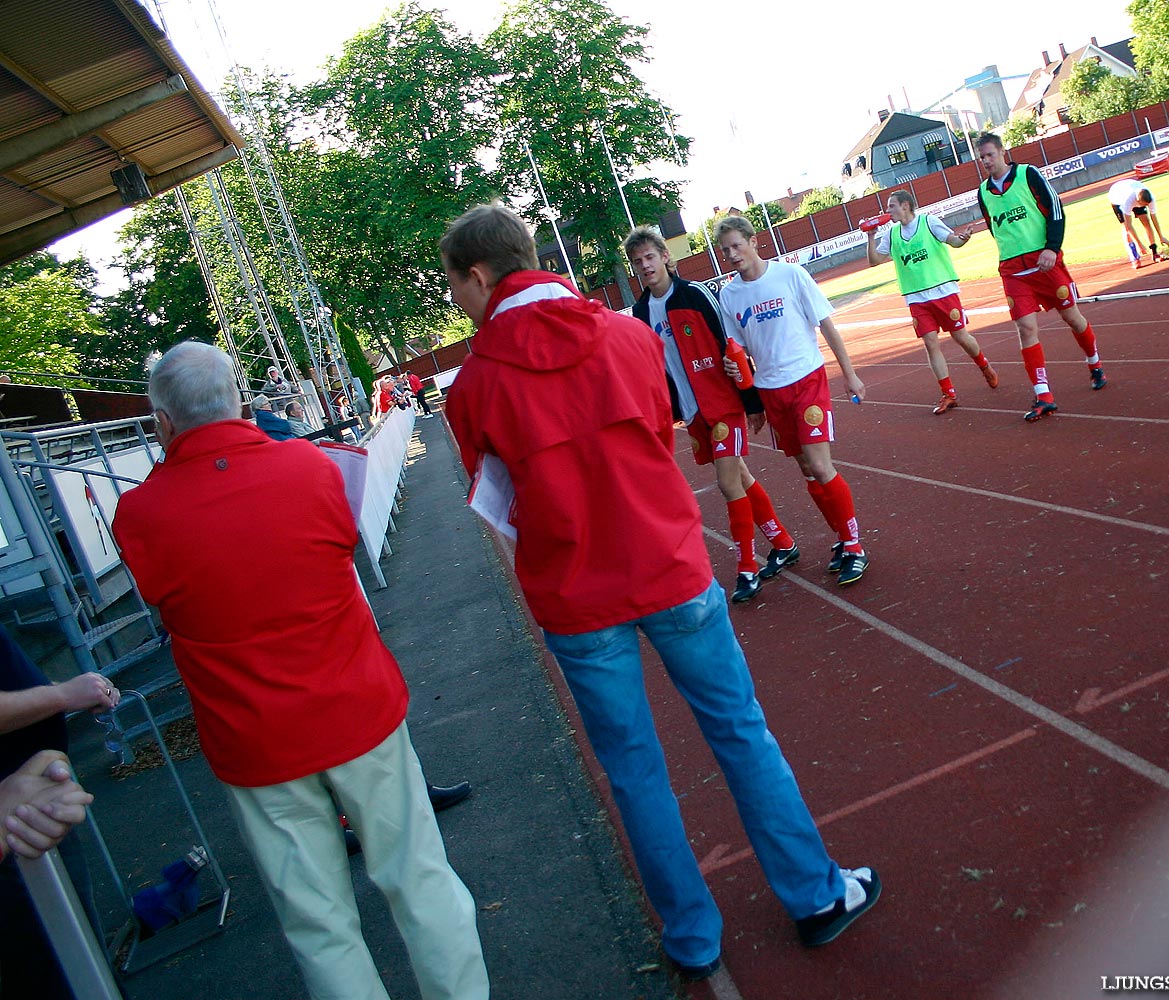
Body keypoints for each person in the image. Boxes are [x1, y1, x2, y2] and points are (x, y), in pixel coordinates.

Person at [440, 204, 880, 981]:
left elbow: (499, 512)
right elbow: (655, 431)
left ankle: (691, 936)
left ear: (479, 276)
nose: (455, 303)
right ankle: (815, 896)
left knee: (634, 769)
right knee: (742, 733)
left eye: (455, 288)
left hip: (575, 599)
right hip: (670, 568)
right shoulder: (628, 335)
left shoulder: (473, 387)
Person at [112, 342, 489, 1000]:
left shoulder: (142, 515)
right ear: (239, 401)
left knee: (319, 924)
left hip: (256, 745)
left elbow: (159, 594)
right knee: (420, 878)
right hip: (357, 713)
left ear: (163, 423)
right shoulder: (310, 468)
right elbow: (339, 543)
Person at [625, 226, 799, 603]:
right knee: (740, 475)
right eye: (638, 262)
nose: (645, 265)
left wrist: (751, 401)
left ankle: (747, 569)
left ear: (665, 257)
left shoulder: (696, 293)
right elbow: (656, 367)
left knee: (727, 483)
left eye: (650, 257)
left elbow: (730, 345)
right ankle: (783, 543)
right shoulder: (640, 313)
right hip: (693, 412)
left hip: (722, 403)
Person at [715, 216, 870, 585]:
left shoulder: (790, 275)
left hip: (807, 380)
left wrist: (849, 373)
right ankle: (841, 537)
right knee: (805, 468)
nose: (732, 254)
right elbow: (738, 351)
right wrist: (745, 389)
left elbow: (826, 324)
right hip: (771, 391)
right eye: (725, 250)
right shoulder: (730, 294)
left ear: (754, 241)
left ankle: (854, 546)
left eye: (737, 245)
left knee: (820, 466)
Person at [0, 626, 116, 998]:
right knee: (55, 971)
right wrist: (62, 695)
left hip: (33, 811)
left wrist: (70, 691)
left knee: (79, 957)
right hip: (16, 828)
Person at [975, 132, 1106, 422]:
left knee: (1072, 317)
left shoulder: (1027, 174)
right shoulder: (983, 192)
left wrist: (1051, 248)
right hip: (1012, 270)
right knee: (1025, 328)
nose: (985, 161)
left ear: (1001, 151)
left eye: (989, 155)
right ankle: (1043, 393)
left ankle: (1094, 363)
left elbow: (1055, 209)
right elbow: (993, 227)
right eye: (981, 157)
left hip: (1045, 262)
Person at [865, 190, 999, 415]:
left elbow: (953, 241)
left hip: (943, 291)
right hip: (916, 297)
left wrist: (962, 239)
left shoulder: (929, 222)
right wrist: (870, 237)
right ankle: (949, 393)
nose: (887, 211)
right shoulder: (891, 234)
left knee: (961, 337)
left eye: (892, 206)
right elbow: (874, 261)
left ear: (905, 206)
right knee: (930, 344)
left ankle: (984, 365)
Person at [1106, 178, 1169, 268]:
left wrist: (1161, 236)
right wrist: (1139, 245)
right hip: (1116, 197)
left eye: (1146, 205)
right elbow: (1128, 226)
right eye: (1143, 205)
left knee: (1146, 221)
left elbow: (1153, 218)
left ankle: (1154, 253)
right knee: (1125, 229)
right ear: (1138, 201)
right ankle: (1134, 258)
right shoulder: (1127, 201)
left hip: (1131, 189)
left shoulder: (1150, 198)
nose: (1144, 207)